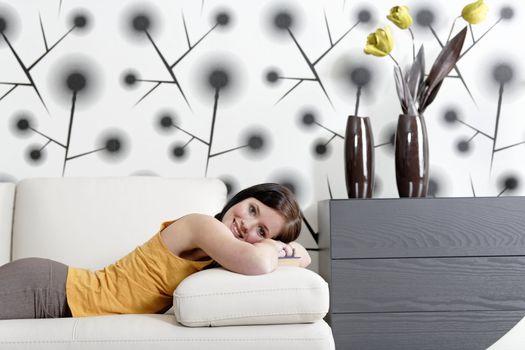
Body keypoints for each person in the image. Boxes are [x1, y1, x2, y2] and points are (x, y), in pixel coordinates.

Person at [0, 183, 311, 320]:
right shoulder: (203, 225)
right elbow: (259, 262)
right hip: (48, 288)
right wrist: (271, 243)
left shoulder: (221, 253)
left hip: (60, 294)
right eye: (252, 209)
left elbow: (304, 258)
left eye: (261, 230)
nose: (247, 225)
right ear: (241, 198)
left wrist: (290, 251)